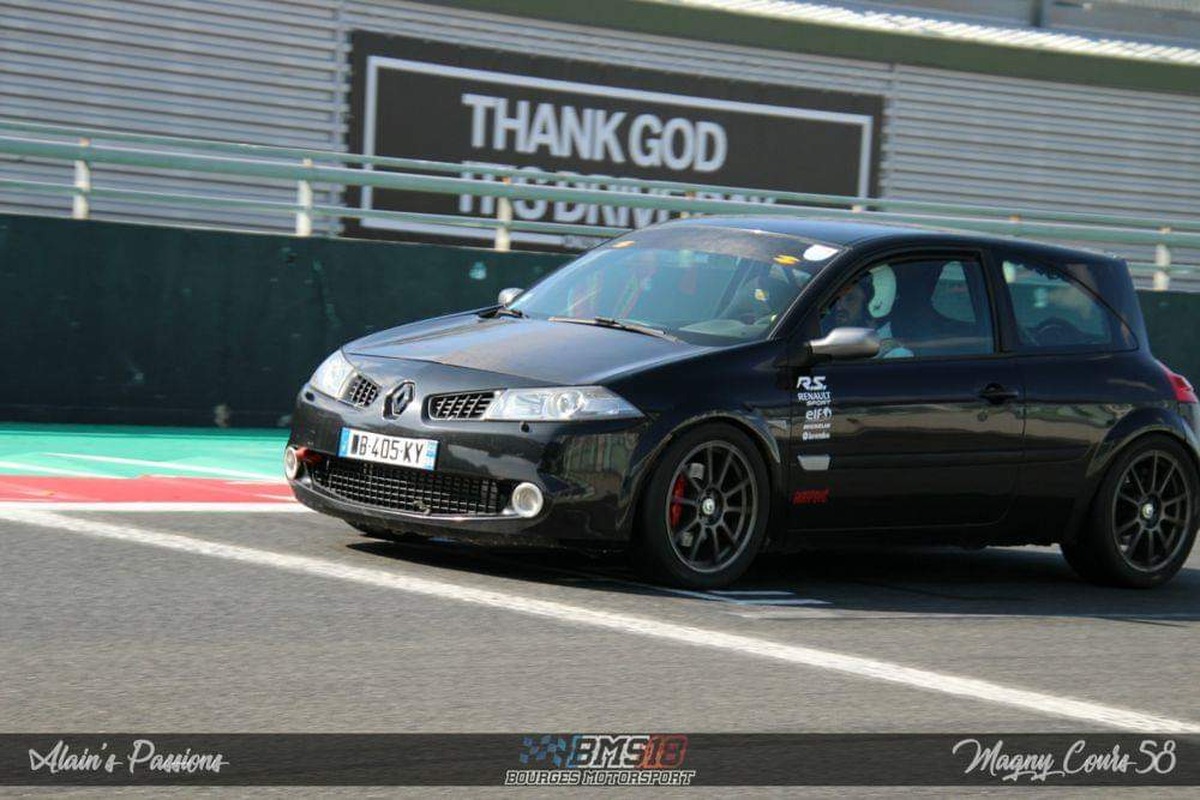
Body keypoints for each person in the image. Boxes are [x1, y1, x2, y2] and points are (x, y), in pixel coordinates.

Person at [822, 269, 913, 358]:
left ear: (875, 302)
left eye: (850, 299)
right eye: (837, 300)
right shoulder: (838, 345)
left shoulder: (895, 356)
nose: (838, 307)